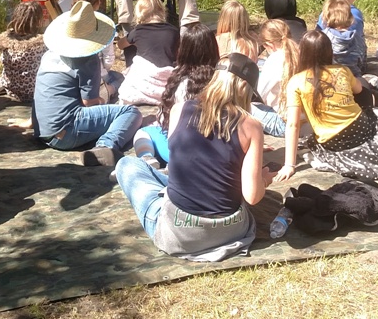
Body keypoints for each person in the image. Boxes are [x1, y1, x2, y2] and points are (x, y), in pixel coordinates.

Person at [114, 53, 273, 261]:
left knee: (127, 164)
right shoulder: (251, 126)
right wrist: (262, 180)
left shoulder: (180, 109)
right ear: (245, 89)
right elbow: (252, 196)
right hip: (231, 232)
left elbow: (178, 162)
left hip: (180, 234)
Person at [276, 31, 378, 183]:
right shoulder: (342, 71)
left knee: (308, 145)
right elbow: (359, 90)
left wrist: (289, 165)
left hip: (333, 140)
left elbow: (292, 124)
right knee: (374, 106)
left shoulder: (296, 82)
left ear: (302, 53)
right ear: (329, 51)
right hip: (361, 129)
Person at [33, 1, 142, 166]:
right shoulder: (87, 60)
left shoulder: (49, 55)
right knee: (131, 113)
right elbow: (89, 103)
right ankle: (105, 147)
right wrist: (103, 101)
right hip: (66, 133)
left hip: (43, 132)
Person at [130, 23, 220, 168]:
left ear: (182, 50)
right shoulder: (221, 80)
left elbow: (165, 118)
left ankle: (147, 158)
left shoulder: (179, 79)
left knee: (143, 132)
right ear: (214, 49)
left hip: (179, 149)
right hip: (214, 150)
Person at [118, 0, 180, 107]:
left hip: (144, 78)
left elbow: (121, 45)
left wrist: (130, 40)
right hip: (168, 80)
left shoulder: (137, 31)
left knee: (129, 46)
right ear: (162, 11)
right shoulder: (174, 30)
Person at [71, 0, 122, 102]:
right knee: (120, 79)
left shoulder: (67, 23)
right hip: (95, 80)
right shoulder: (103, 27)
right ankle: (109, 90)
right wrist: (104, 70)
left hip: (71, 79)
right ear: (98, 2)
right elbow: (108, 59)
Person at [253, 19, 300, 137]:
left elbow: (259, 95)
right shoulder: (301, 52)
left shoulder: (274, 60)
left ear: (269, 45)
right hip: (308, 123)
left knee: (244, 107)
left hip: (285, 125)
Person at [0, 0, 47, 103]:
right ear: (39, 21)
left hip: (12, 91)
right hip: (36, 92)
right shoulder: (42, 45)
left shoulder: (7, 44)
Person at [316, 0, 367, 69]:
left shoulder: (325, 12)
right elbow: (358, 39)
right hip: (351, 65)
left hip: (326, 62)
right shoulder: (355, 13)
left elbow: (318, 34)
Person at [318, 0, 365, 76]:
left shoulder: (322, 37)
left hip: (328, 77)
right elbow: (361, 61)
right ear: (350, 18)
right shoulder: (356, 38)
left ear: (325, 17)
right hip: (353, 78)